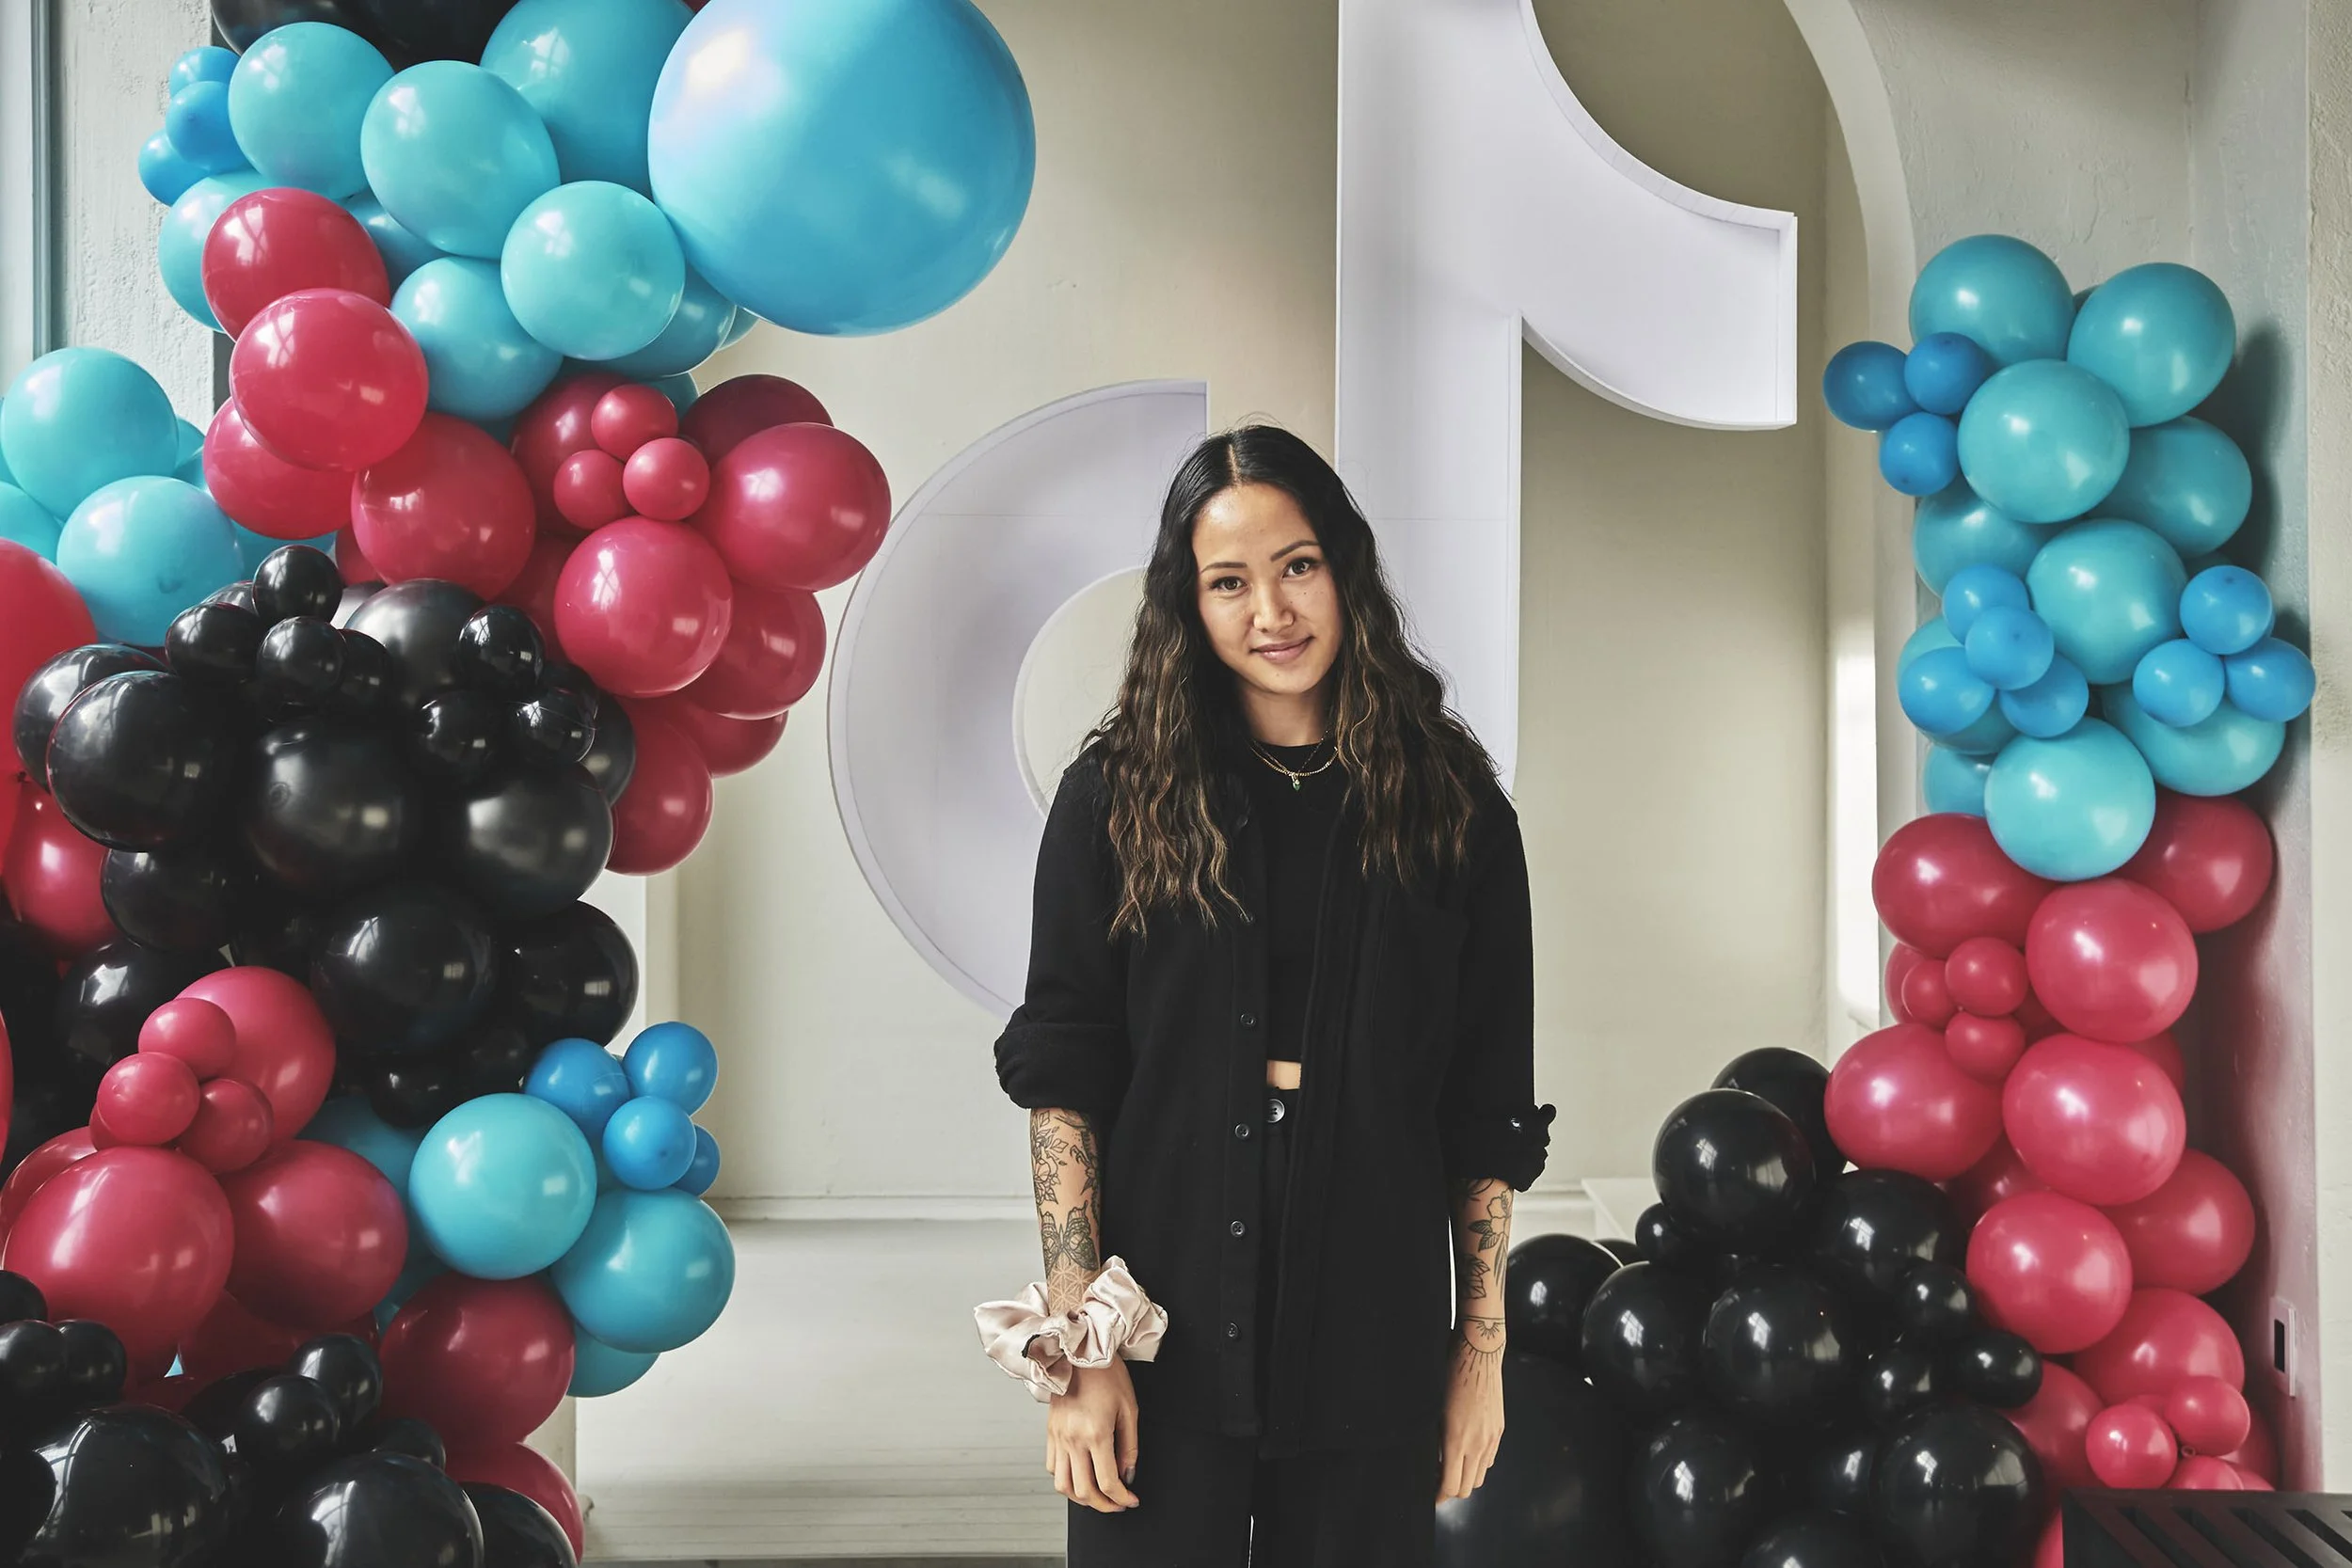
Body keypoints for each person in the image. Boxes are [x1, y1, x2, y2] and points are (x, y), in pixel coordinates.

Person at [987, 425, 1555, 1566]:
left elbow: (1486, 1102)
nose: (1272, 611)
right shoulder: (1114, 798)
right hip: (1161, 1324)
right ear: (1187, 603)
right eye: (1228, 581)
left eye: (1298, 565)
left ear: (1345, 567)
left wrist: (1478, 1349)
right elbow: (1067, 1079)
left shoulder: (1454, 809)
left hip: (1372, 1330)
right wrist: (1082, 1348)